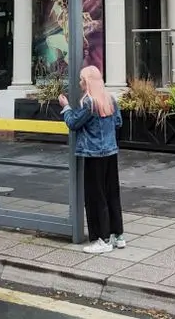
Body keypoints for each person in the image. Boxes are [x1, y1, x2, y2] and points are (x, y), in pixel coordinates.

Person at [58, 65, 125, 254]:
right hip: (111, 153)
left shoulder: (89, 102)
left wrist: (66, 107)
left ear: (87, 82)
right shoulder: (110, 98)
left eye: (81, 79)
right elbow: (118, 122)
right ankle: (117, 235)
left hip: (94, 154)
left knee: (96, 197)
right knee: (112, 194)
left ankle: (102, 239)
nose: (80, 82)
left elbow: (73, 123)